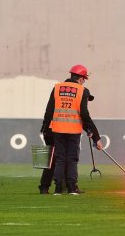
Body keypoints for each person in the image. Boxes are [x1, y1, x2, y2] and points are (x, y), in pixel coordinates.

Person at [41, 64, 103, 195]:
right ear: (80, 78)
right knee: (72, 159)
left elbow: (49, 110)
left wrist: (45, 129)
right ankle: (71, 187)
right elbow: (84, 115)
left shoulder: (57, 88)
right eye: (84, 79)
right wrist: (95, 136)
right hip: (73, 130)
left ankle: (58, 188)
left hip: (57, 129)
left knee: (59, 158)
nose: (83, 82)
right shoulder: (82, 90)